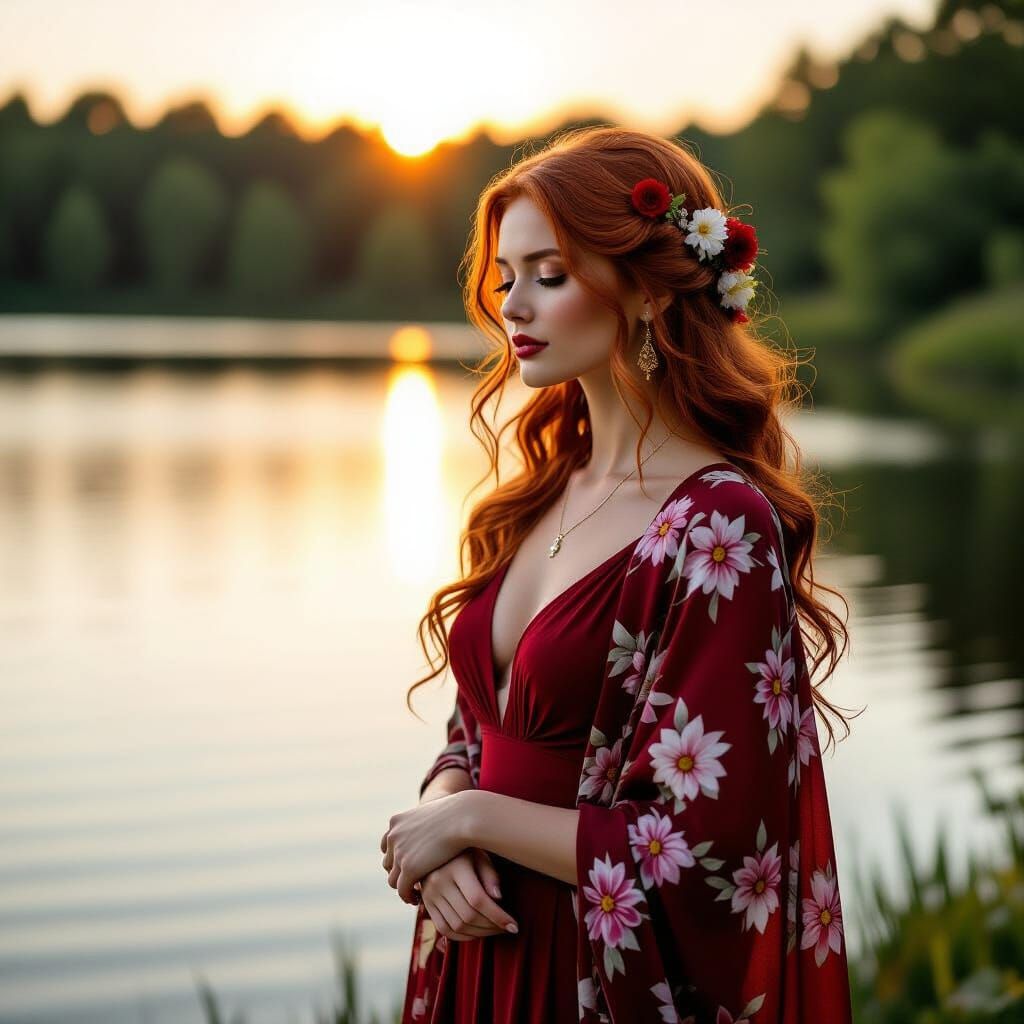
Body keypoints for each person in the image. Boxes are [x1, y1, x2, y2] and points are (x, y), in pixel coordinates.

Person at [380, 126, 855, 1023]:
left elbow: (704, 848)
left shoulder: (718, 525)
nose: (515, 306)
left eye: (550, 275)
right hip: (477, 953)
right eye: (506, 278)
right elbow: (477, 728)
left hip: (590, 976)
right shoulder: (542, 492)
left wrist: (474, 820)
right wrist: (443, 819)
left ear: (646, 291)